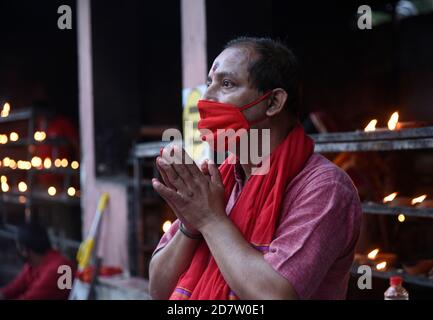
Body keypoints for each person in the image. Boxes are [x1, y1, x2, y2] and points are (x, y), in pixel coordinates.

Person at [149, 37, 362, 300]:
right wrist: (190, 225)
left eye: (227, 84)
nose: (206, 98)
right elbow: (158, 290)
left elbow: (274, 296)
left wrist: (210, 219)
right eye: (208, 84)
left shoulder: (323, 188)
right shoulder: (217, 182)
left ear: (272, 103)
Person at [0, 224, 76, 300]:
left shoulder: (58, 268)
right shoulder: (33, 264)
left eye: (18, 246)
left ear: (24, 250)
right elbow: (13, 288)